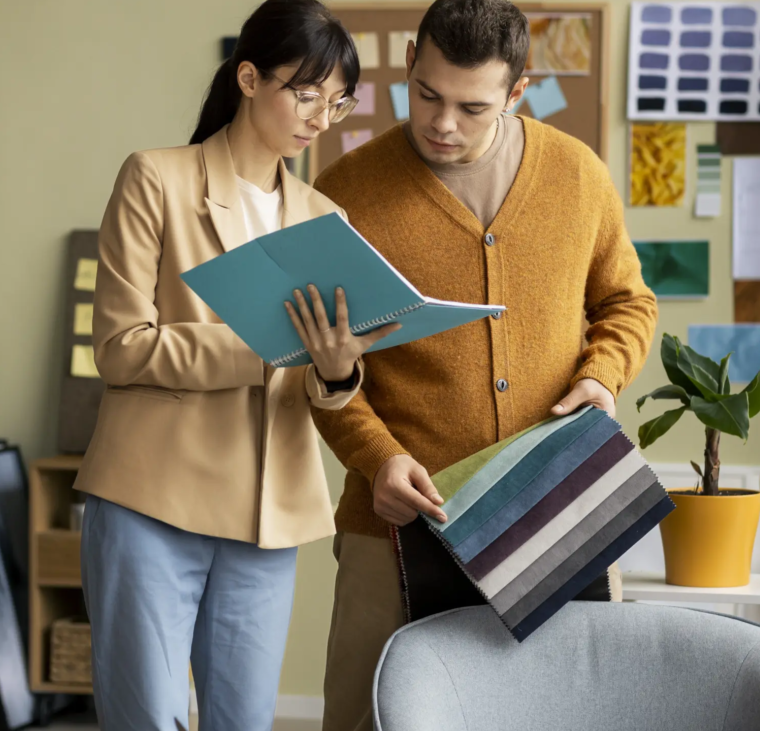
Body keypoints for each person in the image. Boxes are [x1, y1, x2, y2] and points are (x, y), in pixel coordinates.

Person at [310, 1, 660, 729]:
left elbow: (630, 305)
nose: (442, 123)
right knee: (366, 715)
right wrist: (376, 459)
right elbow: (322, 373)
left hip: (561, 506)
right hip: (397, 524)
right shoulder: (343, 194)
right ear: (408, 60)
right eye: (428, 94)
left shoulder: (577, 176)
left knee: (572, 710)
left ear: (518, 92)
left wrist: (601, 375)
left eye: (472, 107)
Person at [73, 2, 399, 729]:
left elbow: (319, 385)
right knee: (146, 719)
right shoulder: (155, 179)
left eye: (336, 100)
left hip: (267, 515)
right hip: (149, 499)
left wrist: (338, 371)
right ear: (249, 78)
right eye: (305, 93)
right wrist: (262, 345)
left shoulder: (325, 220)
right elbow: (122, 346)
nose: (321, 116)